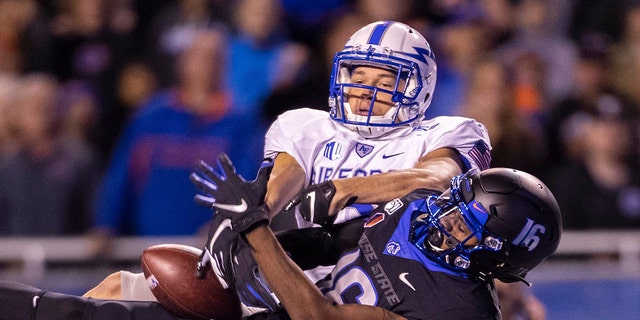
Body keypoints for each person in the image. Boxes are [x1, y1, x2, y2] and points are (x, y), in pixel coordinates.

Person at [85, 19, 493, 299]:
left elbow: (438, 177)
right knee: (116, 290)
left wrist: (342, 190)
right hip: (285, 280)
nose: (366, 90)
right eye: (359, 76)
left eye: (385, 81)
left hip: (384, 295)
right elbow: (283, 181)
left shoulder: (446, 132)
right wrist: (249, 214)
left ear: (419, 88)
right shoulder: (305, 126)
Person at [0, 163, 563, 320]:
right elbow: (321, 235)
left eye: (465, 222)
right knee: (71, 307)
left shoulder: (455, 312)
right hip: (260, 305)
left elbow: (318, 318)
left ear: (496, 256)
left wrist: (255, 230)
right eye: (455, 199)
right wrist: (250, 242)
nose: (443, 214)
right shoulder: (415, 206)